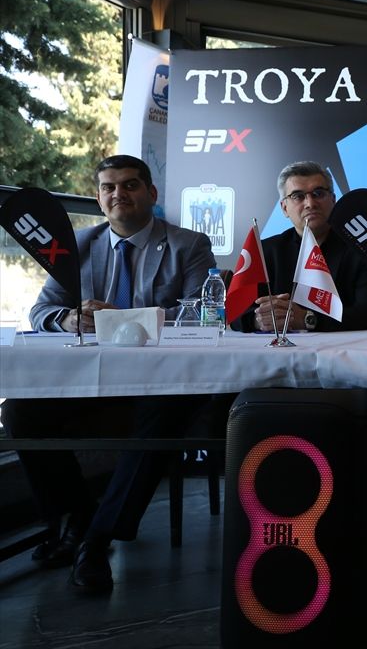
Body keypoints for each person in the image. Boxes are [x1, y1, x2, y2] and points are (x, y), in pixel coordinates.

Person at [5, 155, 215, 593]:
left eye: (130, 185)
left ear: (151, 194)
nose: (119, 194)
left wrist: (124, 319)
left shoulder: (189, 244)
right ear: (99, 199)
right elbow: (41, 310)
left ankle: (96, 541)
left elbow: (202, 314)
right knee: (20, 412)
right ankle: (78, 516)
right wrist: (68, 319)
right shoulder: (79, 245)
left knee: (164, 415)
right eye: (108, 187)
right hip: (91, 382)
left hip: (162, 383)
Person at [232, 161, 367, 332]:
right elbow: (234, 312)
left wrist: (308, 319)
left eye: (318, 193)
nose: (310, 203)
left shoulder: (362, 249)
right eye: (298, 196)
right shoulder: (264, 251)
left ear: (333, 200)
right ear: (284, 208)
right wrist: (260, 320)